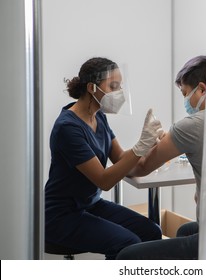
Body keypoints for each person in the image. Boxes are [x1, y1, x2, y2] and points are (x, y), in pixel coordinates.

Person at [45, 57, 163, 260]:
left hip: (90, 205)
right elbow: (104, 180)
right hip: (62, 214)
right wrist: (140, 146)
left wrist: (150, 145)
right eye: (114, 86)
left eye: (120, 86)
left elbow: (122, 160)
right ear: (92, 87)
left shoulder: (99, 116)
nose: (120, 94)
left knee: (151, 232)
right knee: (128, 244)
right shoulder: (67, 128)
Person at [116, 55, 206, 260]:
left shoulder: (192, 125)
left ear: (202, 89)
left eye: (185, 94)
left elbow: (139, 168)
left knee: (126, 257)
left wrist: (144, 146)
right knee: (185, 230)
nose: (186, 101)